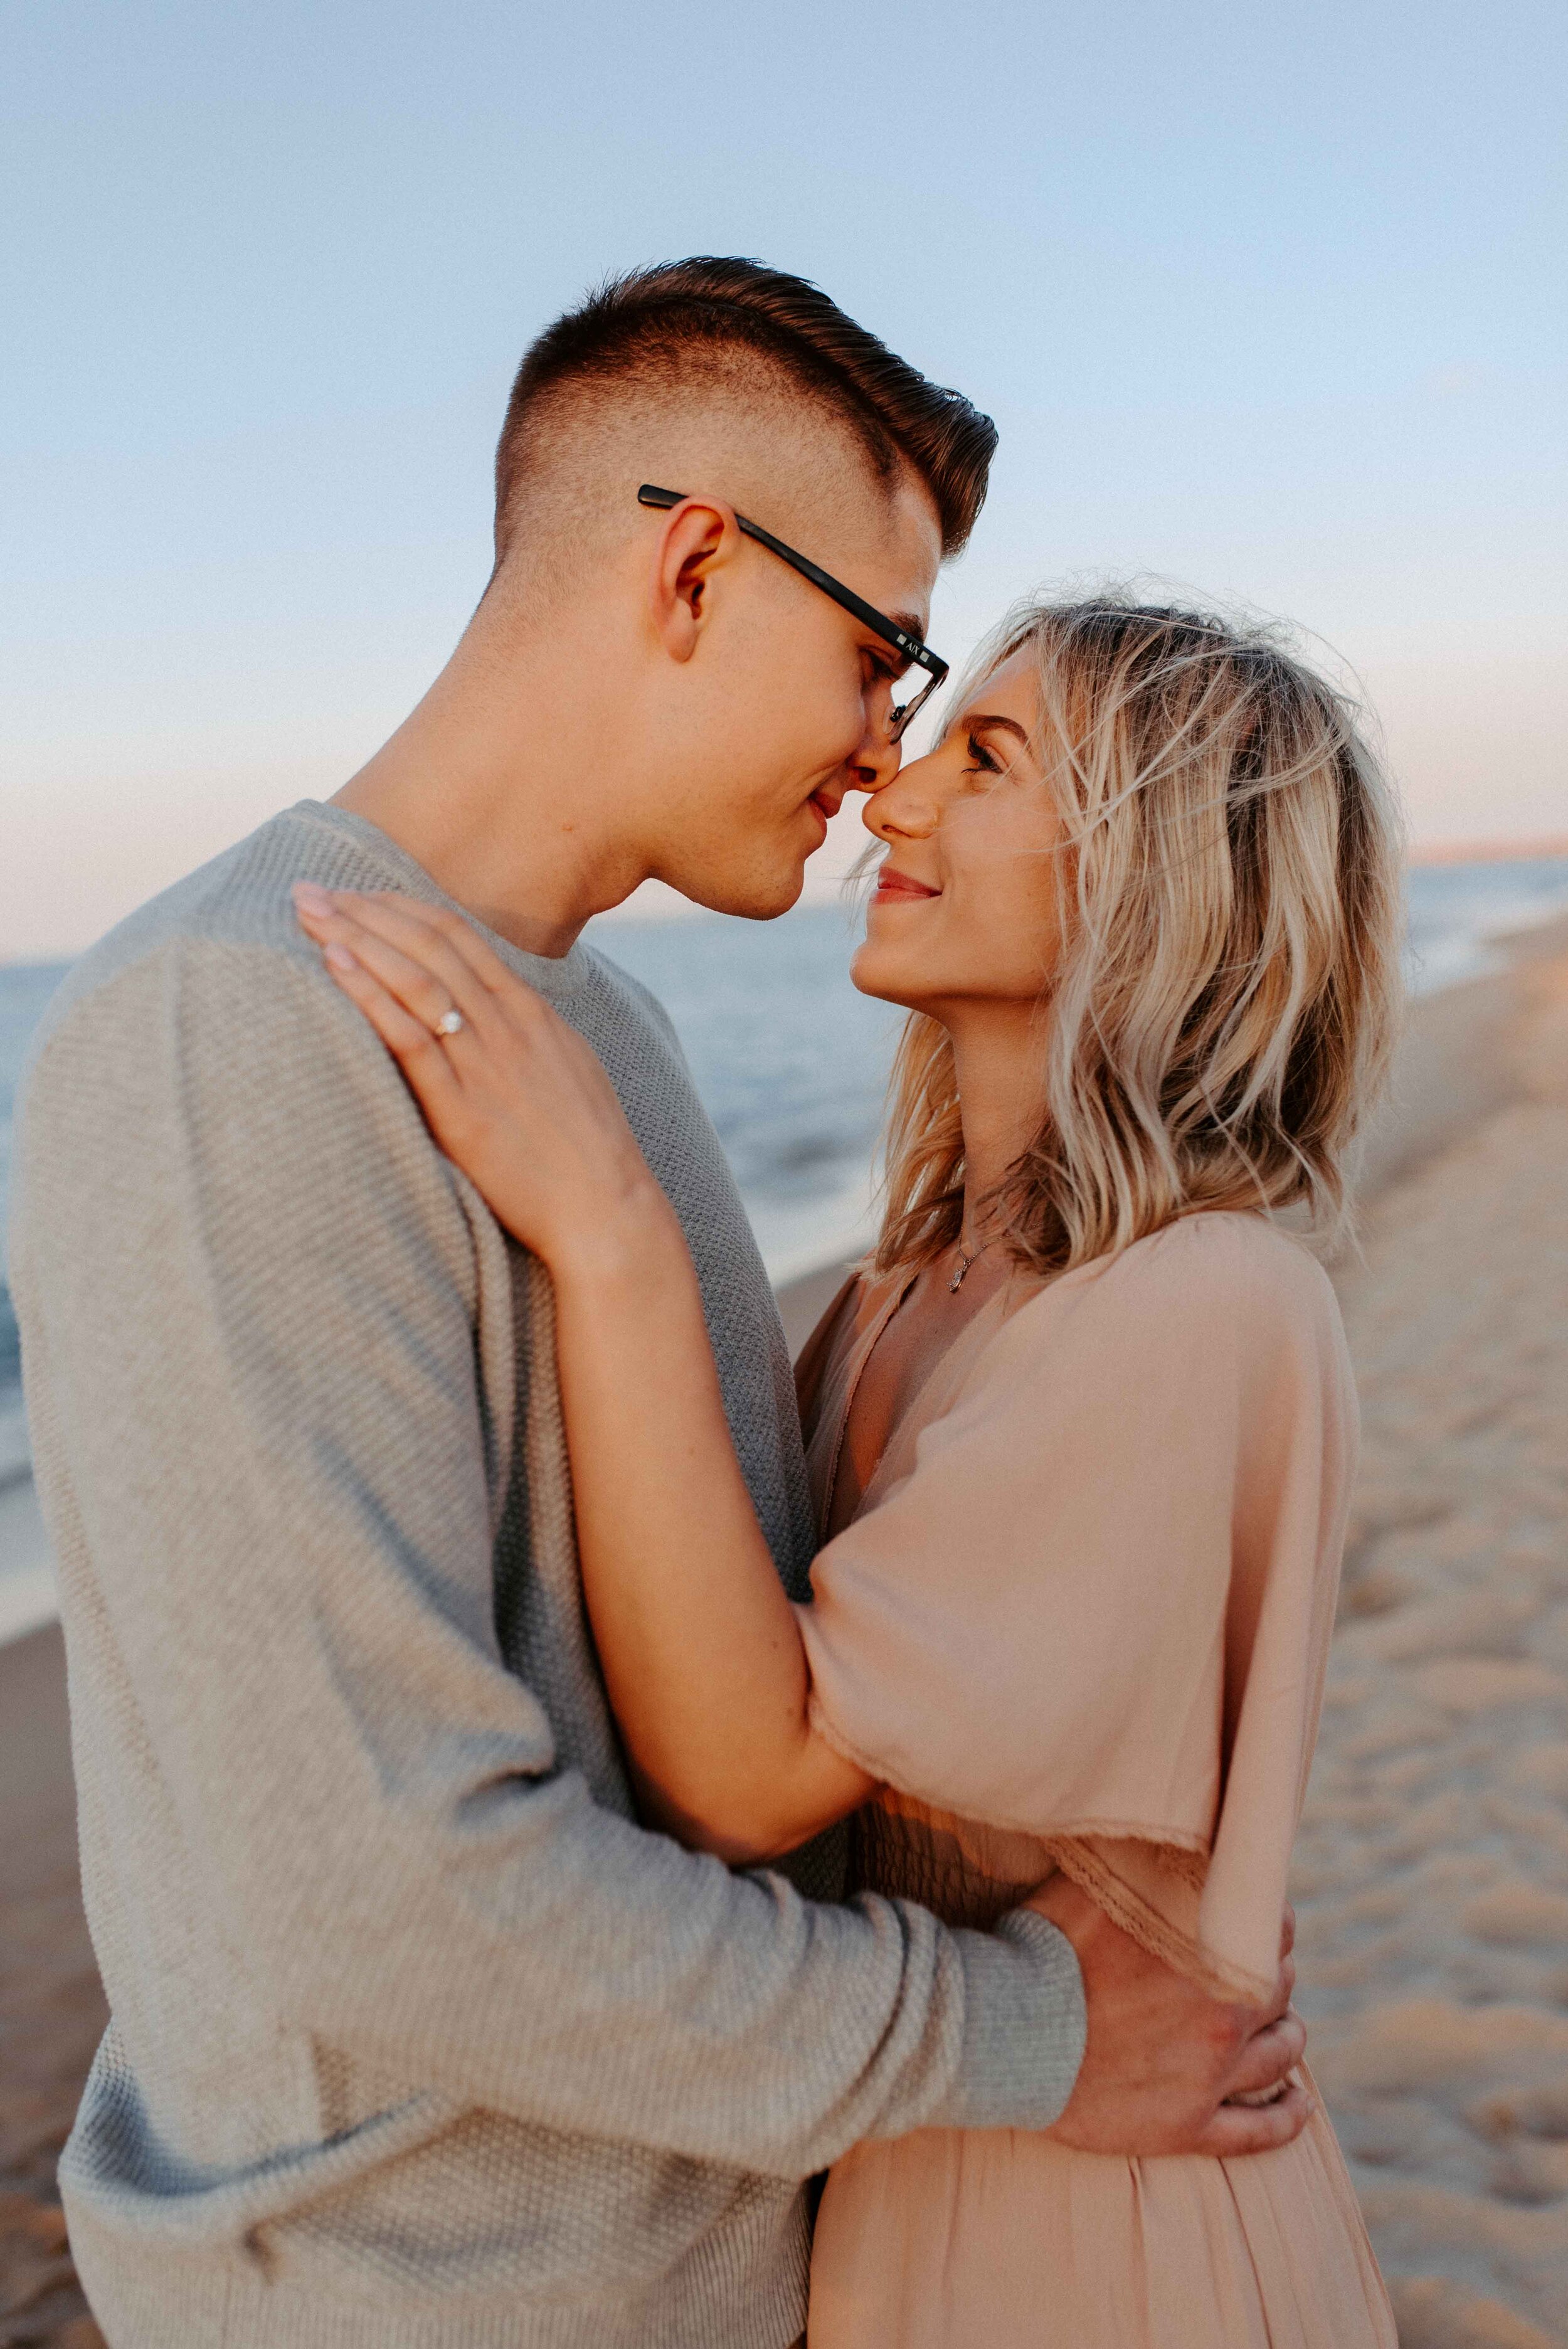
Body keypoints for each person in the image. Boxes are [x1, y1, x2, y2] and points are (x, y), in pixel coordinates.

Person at [11, 262, 1308, 2349]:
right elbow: (382, 1885)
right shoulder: (225, 1030)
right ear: (697, 567)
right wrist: (1028, 2031)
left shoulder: (606, 1034)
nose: (879, 756)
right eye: (883, 654)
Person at [296, 590, 1402, 2345]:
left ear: (1160, 862)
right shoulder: (913, 1285)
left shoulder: (1205, 1297)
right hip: (935, 2161)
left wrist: (610, 1228)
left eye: (985, 759)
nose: (885, 798)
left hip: (1099, 2226)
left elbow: (749, 1773)